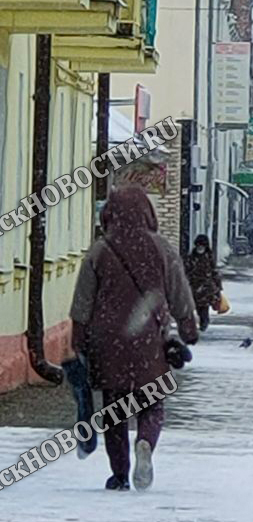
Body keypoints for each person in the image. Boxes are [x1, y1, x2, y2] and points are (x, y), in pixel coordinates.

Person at [70, 185, 198, 492]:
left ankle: (119, 475)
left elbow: (82, 301)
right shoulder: (161, 248)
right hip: (148, 341)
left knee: (114, 411)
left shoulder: (100, 250)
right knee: (152, 403)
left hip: (107, 342)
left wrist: (79, 339)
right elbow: (180, 293)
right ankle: (145, 442)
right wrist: (188, 328)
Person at [185, 234, 222, 332]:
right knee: (197, 306)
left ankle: (204, 322)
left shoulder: (209, 257)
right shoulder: (191, 257)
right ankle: (202, 320)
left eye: (202, 246)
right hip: (194, 286)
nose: (200, 248)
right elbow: (186, 270)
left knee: (204, 307)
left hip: (206, 287)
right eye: (198, 245)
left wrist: (218, 286)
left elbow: (214, 271)